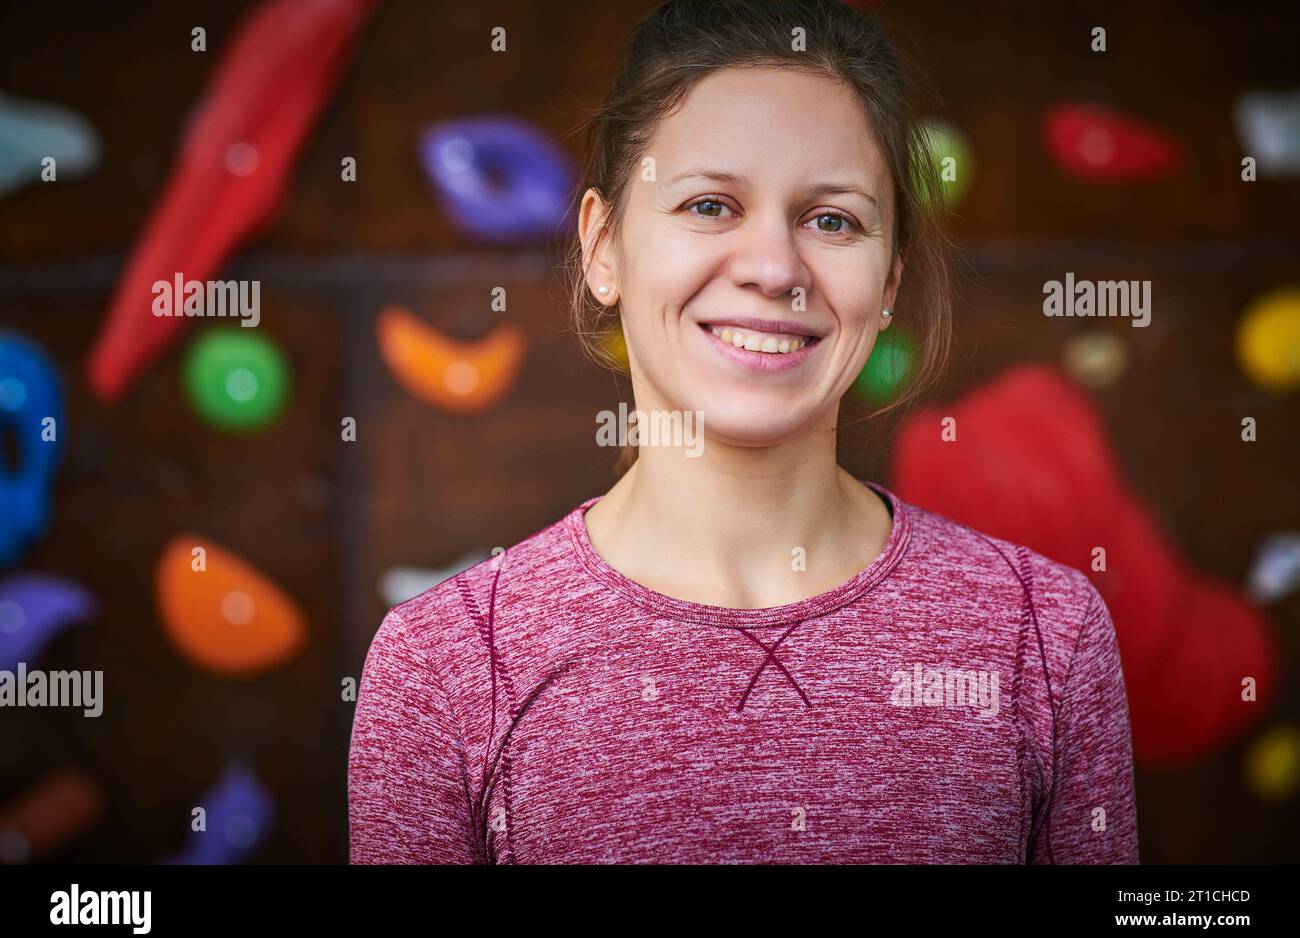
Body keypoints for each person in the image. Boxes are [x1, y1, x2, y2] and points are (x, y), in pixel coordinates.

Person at [348, 0, 1139, 864]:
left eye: (831, 219)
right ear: (604, 246)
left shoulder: (1045, 636)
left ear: (887, 282)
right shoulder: (445, 665)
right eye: (710, 205)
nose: (773, 269)